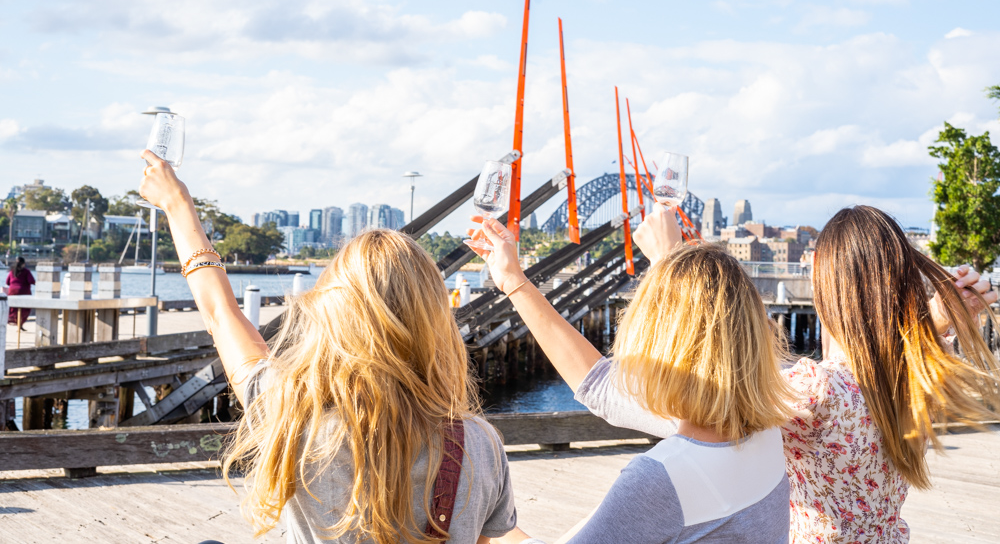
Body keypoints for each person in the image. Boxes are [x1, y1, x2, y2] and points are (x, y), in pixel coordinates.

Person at [486, 203, 1000, 544]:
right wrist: (937, 320)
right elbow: (888, 348)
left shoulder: (818, 393)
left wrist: (516, 281)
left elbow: (607, 385)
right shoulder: (908, 376)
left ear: (824, 282)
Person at [139, 150, 517, 544]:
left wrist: (177, 205)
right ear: (435, 322)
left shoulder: (291, 408)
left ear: (331, 314)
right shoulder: (479, 443)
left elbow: (221, 315)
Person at [469, 209, 797, 543]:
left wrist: (499, 531)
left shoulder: (660, 480)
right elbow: (598, 385)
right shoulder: (764, 435)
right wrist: (514, 283)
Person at [6, 256, 35, 329]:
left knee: (13, 308)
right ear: (23, 263)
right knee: (26, 307)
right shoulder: (26, 271)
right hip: (23, 291)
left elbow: (7, 282)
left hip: (12, 291)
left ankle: (12, 320)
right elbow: (31, 281)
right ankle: (20, 322)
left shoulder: (12, 271)